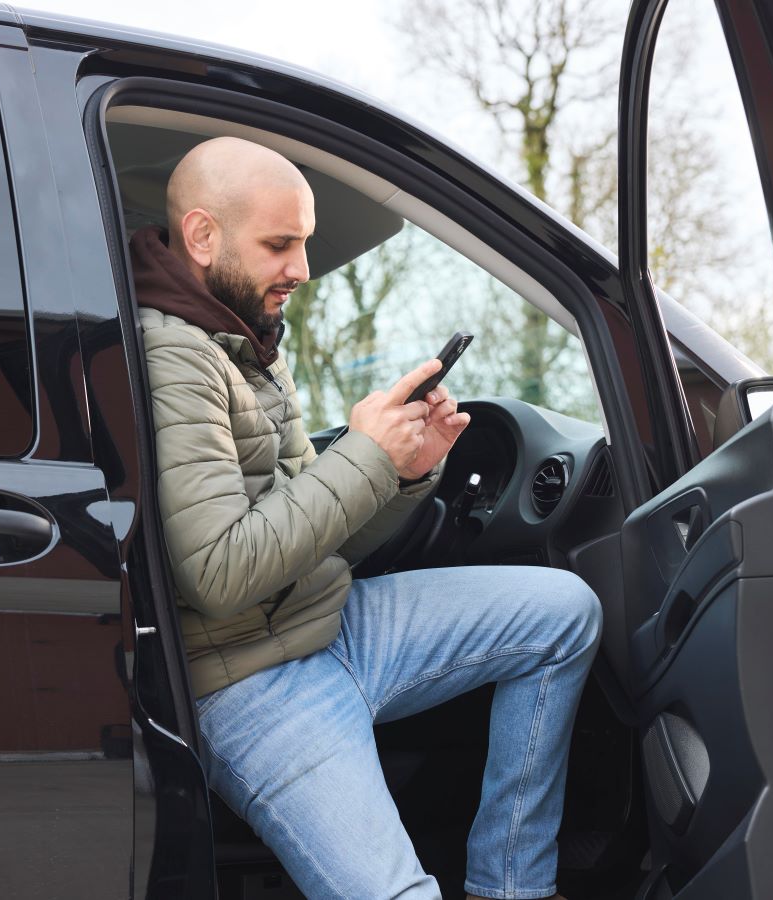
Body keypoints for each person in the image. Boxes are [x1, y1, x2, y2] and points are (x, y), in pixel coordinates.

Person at [131, 135, 601, 900]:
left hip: (333, 622)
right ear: (203, 236)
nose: (302, 269)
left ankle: (509, 887)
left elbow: (318, 533)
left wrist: (406, 475)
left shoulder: (245, 336)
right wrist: (366, 457)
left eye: (304, 243)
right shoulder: (171, 355)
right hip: (249, 679)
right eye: (280, 244)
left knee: (564, 615)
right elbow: (219, 574)